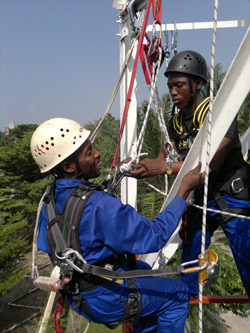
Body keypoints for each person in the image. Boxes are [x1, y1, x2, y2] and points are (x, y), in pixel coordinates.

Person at [31, 117, 205, 333]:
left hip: (79, 295)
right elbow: (154, 236)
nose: (97, 154)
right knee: (177, 294)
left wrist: (121, 173)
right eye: (88, 152)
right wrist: (184, 190)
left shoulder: (50, 198)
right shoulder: (98, 205)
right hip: (106, 299)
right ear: (68, 166)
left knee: (144, 270)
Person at [129, 50, 250, 299]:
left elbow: (211, 165)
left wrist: (161, 168)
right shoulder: (178, 119)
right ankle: (188, 299)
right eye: (171, 86)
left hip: (232, 195)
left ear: (198, 84)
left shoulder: (219, 113)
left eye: (179, 85)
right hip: (202, 196)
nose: (173, 92)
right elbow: (168, 151)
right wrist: (147, 163)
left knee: (246, 259)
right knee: (190, 259)